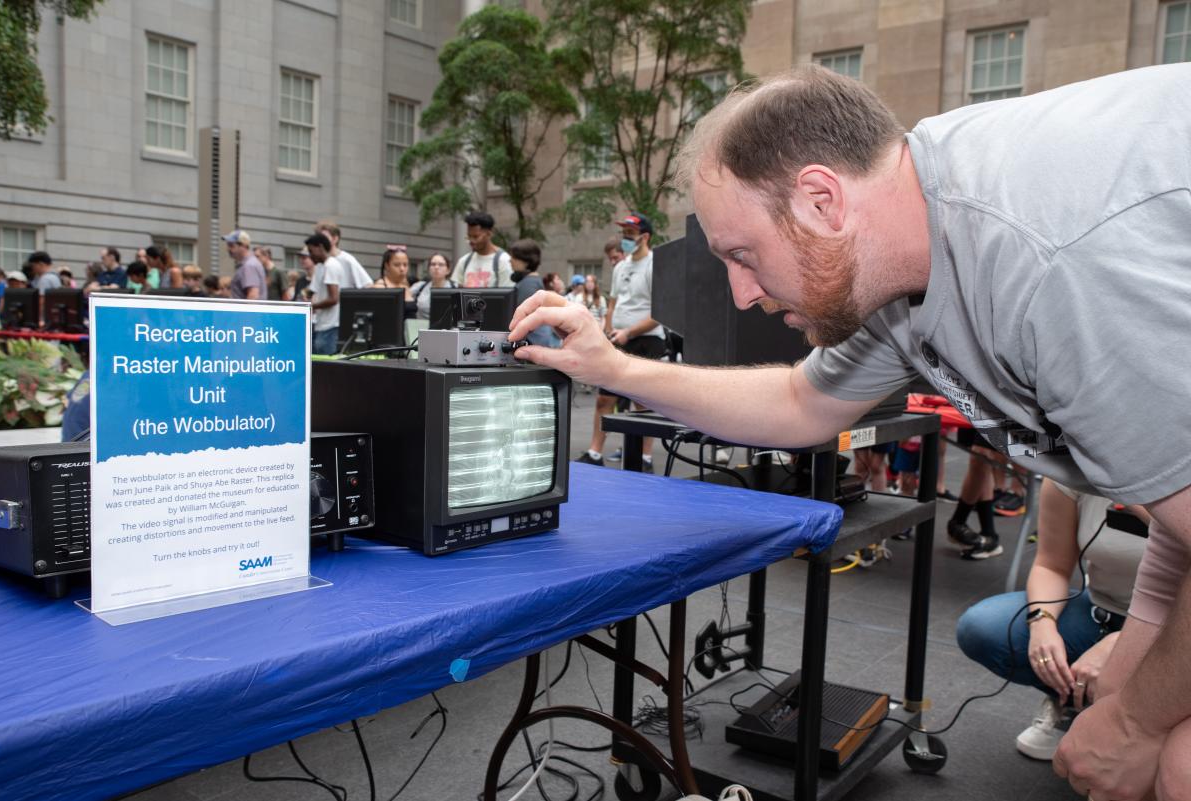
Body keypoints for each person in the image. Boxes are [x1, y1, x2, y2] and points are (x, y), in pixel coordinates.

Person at [507, 64, 1191, 801]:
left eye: (743, 254)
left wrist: (1142, 724)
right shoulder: (910, 243)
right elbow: (803, 401)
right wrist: (612, 366)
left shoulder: (1046, 265)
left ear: (821, 199)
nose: (742, 291)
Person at [956, 480, 1146, 760]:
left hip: (1175, 630)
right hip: (1104, 611)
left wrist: (1126, 644)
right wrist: (1042, 624)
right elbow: (1051, 565)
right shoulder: (1071, 469)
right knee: (983, 627)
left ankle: (1148, 725)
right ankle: (1074, 703)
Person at [574, 212, 664, 471]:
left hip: (647, 340)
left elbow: (659, 313)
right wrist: (611, 331)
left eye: (630, 234)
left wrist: (630, 332)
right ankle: (594, 452)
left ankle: (645, 458)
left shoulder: (655, 265)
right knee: (604, 398)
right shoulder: (621, 266)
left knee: (642, 402)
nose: (625, 238)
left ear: (645, 237)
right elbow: (612, 304)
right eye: (623, 233)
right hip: (619, 339)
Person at [508, 239, 559, 348]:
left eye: (513, 257)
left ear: (525, 260)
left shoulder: (528, 284)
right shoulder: (533, 281)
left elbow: (521, 319)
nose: (510, 261)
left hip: (532, 343)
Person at [452, 211, 512, 288]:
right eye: (469, 236)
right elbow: (457, 294)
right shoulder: (464, 261)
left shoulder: (503, 261)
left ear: (489, 234)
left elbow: (507, 295)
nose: (471, 241)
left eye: (476, 237)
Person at [304, 233, 343, 355]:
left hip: (330, 326)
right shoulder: (321, 267)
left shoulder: (331, 266)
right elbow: (312, 290)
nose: (310, 256)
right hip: (321, 325)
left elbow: (333, 298)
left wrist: (311, 307)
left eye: (311, 251)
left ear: (320, 247)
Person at [314, 221, 372, 290]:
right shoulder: (319, 263)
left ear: (335, 239)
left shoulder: (347, 260)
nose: (320, 242)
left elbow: (368, 284)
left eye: (324, 238)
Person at [371, 246, 418, 317]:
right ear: (387, 265)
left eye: (405, 265)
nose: (402, 269)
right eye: (397, 265)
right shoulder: (380, 287)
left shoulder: (407, 285)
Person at [222, 230, 267, 300]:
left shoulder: (249, 265)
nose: (228, 249)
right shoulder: (250, 264)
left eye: (231, 245)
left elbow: (253, 296)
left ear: (243, 246)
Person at [410, 253, 455, 321]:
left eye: (441, 264)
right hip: (421, 328)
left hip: (448, 329)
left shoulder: (456, 289)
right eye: (433, 264)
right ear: (428, 269)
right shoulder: (418, 287)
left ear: (448, 270)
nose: (436, 267)